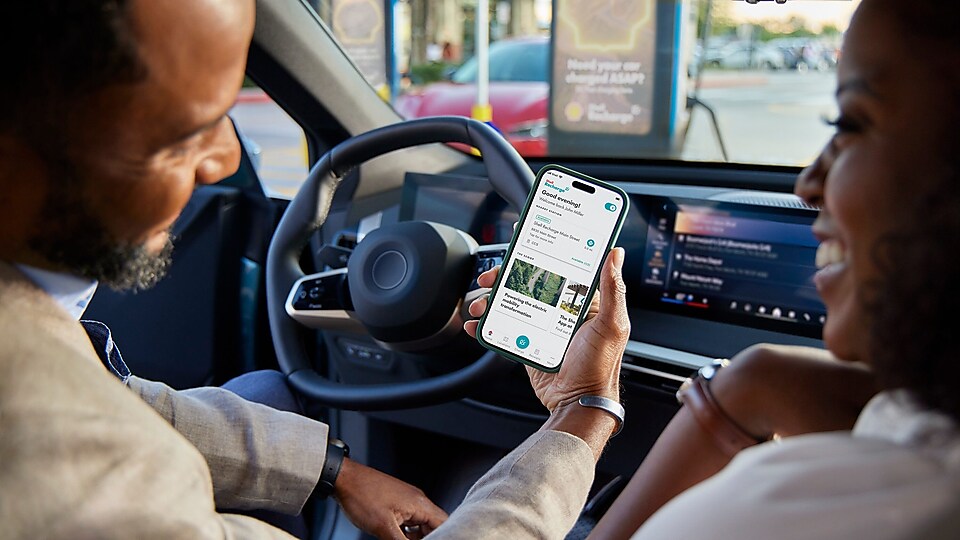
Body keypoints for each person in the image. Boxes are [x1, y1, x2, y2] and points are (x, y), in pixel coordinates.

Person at [0, 0, 629, 538]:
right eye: (181, 135)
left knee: (270, 391)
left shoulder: (36, 337)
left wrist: (336, 471)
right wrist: (584, 409)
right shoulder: (61, 465)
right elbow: (91, 429)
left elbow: (121, 402)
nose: (222, 159)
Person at [580, 0, 960, 538]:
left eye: (849, 124)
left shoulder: (826, 507)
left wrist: (585, 407)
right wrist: (751, 386)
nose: (808, 183)